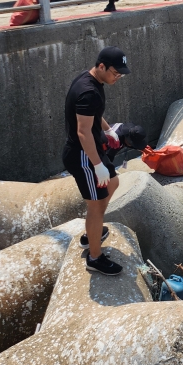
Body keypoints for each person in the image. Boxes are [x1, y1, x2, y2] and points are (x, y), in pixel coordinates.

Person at [62, 46, 131, 275]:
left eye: (121, 74)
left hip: (92, 151)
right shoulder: (87, 91)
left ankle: (92, 232)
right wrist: (97, 165)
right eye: (115, 73)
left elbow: (94, 114)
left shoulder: (93, 81)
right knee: (95, 206)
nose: (117, 77)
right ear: (101, 66)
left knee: (112, 184)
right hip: (83, 156)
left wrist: (108, 129)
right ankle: (95, 257)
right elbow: (83, 132)